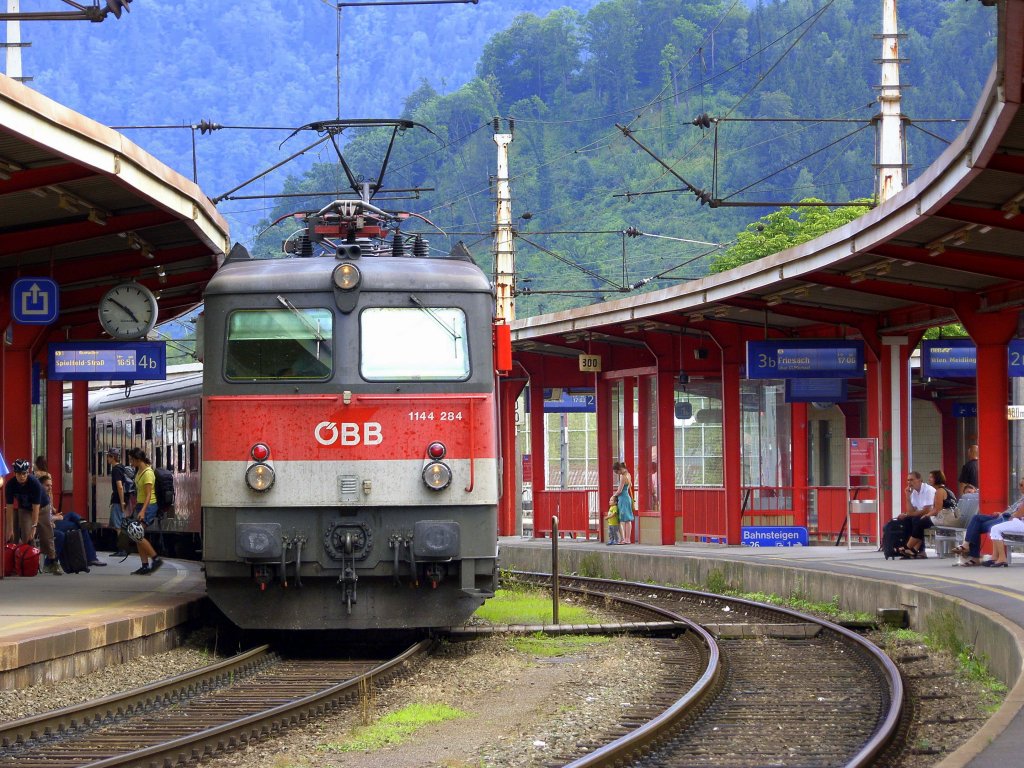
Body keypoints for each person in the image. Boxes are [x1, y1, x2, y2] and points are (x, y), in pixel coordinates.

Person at [4, 459, 61, 575]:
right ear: (15, 473)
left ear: (27, 473)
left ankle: (53, 562)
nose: (22, 476)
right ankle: (29, 562)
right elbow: (9, 508)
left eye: (24, 473)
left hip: (42, 508)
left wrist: (34, 527)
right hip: (24, 509)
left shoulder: (34, 483)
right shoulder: (10, 485)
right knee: (26, 535)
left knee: (46, 534)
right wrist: (9, 529)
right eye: (19, 473)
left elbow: (36, 507)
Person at [40, 473, 106, 568]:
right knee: (79, 526)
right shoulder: (39, 498)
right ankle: (91, 557)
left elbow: (47, 513)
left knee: (71, 514)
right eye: (47, 485)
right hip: (48, 525)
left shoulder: (46, 496)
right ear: (40, 485)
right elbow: (41, 517)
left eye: (51, 485)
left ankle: (84, 524)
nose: (50, 488)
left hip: (53, 521)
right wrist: (55, 518)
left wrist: (55, 515)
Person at [954, 481, 1023, 566]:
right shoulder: (1021, 498)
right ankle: (969, 547)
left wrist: (1008, 515)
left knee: (977, 527)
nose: (1020, 487)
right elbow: (1013, 510)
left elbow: (1018, 514)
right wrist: (1000, 513)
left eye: (1022, 485)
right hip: (1003, 516)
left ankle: (971, 551)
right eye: (1020, 485)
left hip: (1008, 519)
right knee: (976, 518)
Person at [127, 448, 163, 575]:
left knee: (138, 534)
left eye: (132, 460)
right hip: (140, 505)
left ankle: (155, 558)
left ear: (138, 459)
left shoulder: (148, 473)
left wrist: (142, 511)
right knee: (136, 535)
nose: (130, 463)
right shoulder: (139, 471)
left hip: (149, 506)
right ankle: (145, 565)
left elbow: (148, 495)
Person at [897, 470, 937, 559]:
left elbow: (928, 510)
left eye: (912, 480)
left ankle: (919, 550)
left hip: (934, 516)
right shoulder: (914, 492)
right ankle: (910, 550)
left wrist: (911, 514)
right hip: (922, 516)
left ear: (919, 480)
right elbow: (911, 510)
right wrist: (907, 497)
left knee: (917, 520)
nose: (909, 482)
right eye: (908, 480)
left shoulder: (928, 490)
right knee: (906, 520)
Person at [105, 449, 131, 556]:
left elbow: (120, 486)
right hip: (119, 499)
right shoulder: (121, 468)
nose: (107, 459)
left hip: (118, 500)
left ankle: (122, 549)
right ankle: (122, 549)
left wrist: (122, 502)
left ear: (112, 457)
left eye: (108, 456)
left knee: (118, 526)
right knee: (118, 524)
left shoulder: (116, 469)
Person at [610, 461, 634, 545]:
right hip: (627, 497)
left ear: (619, 469)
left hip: (623, 498)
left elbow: (619, 490)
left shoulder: (623, 476)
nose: (617, 473)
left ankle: (624, 539)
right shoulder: (628, 474)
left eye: (617, 472)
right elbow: (630, 485)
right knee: (628, 519)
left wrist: (613, 496)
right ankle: (628, 539)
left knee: (623, 519)